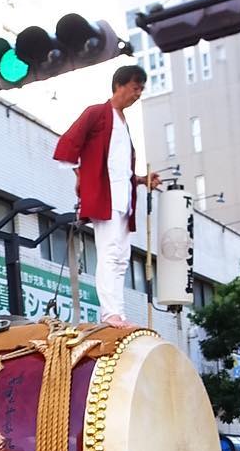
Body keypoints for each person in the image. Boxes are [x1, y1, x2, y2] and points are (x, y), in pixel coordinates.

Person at [53, 65, 161, 327]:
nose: (138, 94)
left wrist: (141, 180)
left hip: (123, 198)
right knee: (110, 252)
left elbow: (119, 168)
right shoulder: (97, 112)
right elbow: (68, 143)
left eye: (141, 89)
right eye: (135, 88)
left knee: (122, 258)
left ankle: (118, 312)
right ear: (119, 85)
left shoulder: (123, 122)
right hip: (105, 196)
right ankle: (109, 312)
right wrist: (80, 176)